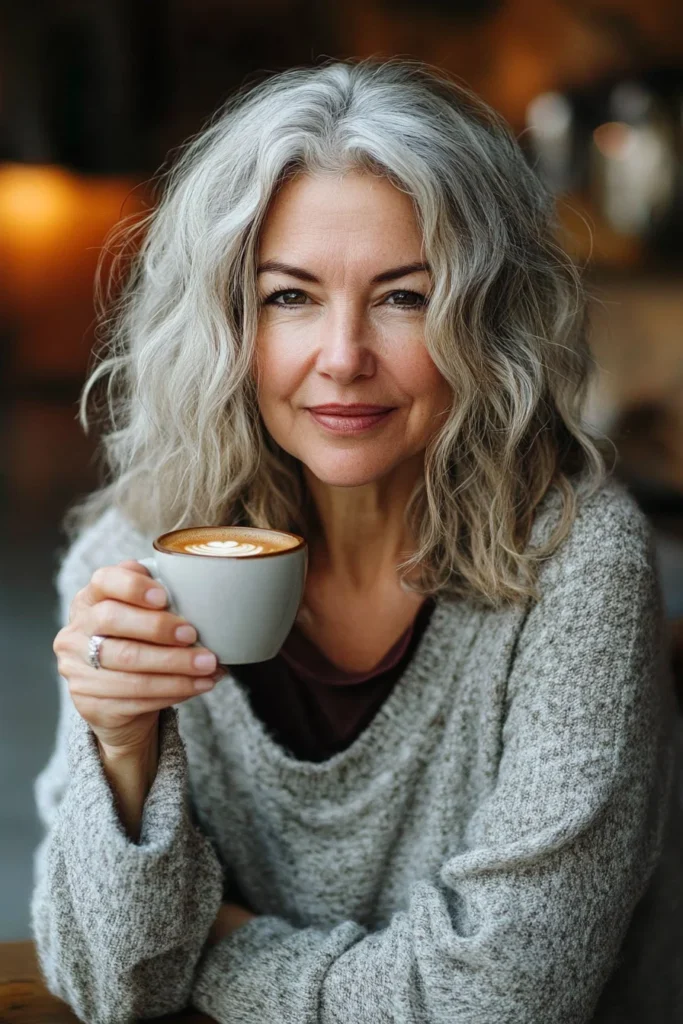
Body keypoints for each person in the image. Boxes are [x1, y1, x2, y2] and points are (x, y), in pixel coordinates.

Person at [31, 57, 683, 1023]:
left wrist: (220, 945)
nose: (341, 358)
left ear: (488, 321)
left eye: (404, 297)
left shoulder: (576, 562)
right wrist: (123, 749)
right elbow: (102, 982)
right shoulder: (135, 559)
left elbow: (500, 1002)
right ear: (226, 318)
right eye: (289, 297)